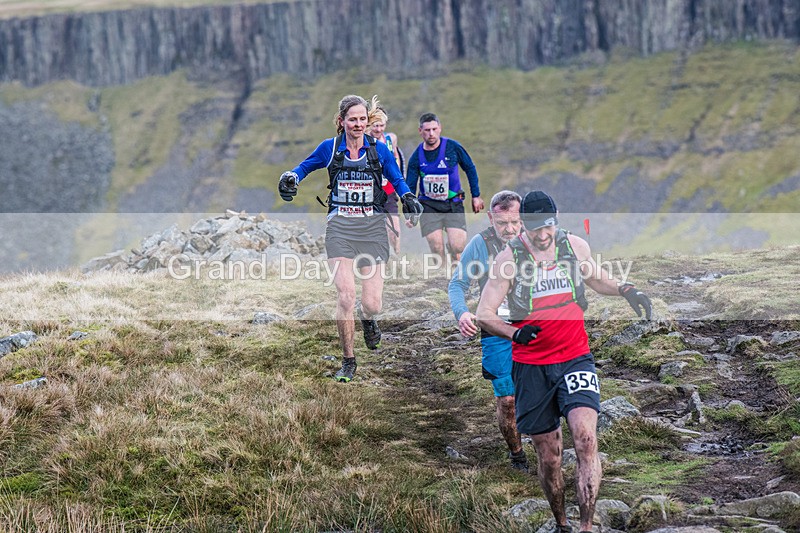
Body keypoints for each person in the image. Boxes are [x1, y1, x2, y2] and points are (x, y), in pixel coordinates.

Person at [476, 191, 652, 533]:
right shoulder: (508, 259)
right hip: (531, 366)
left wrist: (628, 289)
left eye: (548, 227)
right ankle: (562, 523)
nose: (542, 235)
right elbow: (484, 313)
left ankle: (586, 526)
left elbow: (598, 279)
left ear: (556, 220)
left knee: (585, 439)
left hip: (575, 358)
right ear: (523, 225)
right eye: (534, 229)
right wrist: (514, 334)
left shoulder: (573, 247)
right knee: (550, 456)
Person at [277, 95, 423, 383]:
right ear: (342, 121)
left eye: (362, 120)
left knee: (372, 304)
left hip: (372, 230)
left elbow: (396, 178)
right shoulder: (329, 148)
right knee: (346, 296)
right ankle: (348, 360)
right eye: (352, 119)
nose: (358, 124)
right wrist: (291, 176)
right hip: (340, 228)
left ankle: (368, 320)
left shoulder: (379, 150)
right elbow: (304, 167)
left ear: (367, 122)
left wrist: (407, 197)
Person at [447, 190, 530, 473]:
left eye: (515, 223)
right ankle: (517, 454)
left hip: (533, 326)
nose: (509, 230)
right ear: (490, 217)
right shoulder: (479, 245)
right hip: (496, 328)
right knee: (507, 400)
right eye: (502, 224)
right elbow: (457, 284)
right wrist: (463, 313)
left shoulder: (537, 239)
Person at [406, 113, 484, 265]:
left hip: (452, 203)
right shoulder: (416, 157)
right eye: (427, 130)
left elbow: (469, 167)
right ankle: (442, 277)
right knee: (436, 247)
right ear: (420, 131)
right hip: (428, 204)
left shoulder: (452, 147)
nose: (431, 134)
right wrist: (410, 213)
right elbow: (410, 186)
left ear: (440, 128)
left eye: (434, 129)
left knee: (458, 247)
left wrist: (476, 195)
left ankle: (453, 252)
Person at [365, 101, 405, 254]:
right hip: (369, 193)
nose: (379, 129)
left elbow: (397, 159)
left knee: (394, 229)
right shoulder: (362, 140)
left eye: (382, 125)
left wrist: (399, 181)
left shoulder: (391, 139)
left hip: (388, 190)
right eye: (375, 125)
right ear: (369, 125)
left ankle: (397, 259)